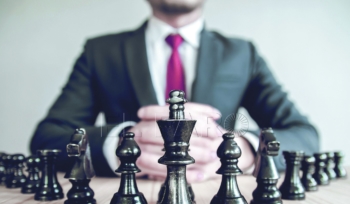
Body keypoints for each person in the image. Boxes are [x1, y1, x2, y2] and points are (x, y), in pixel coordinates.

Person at [30, 0, 319, 182]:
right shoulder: (100, 52)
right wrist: (117, 146)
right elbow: (46, 139)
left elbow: (305, 134)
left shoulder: (243, 53)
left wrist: (244, 151)